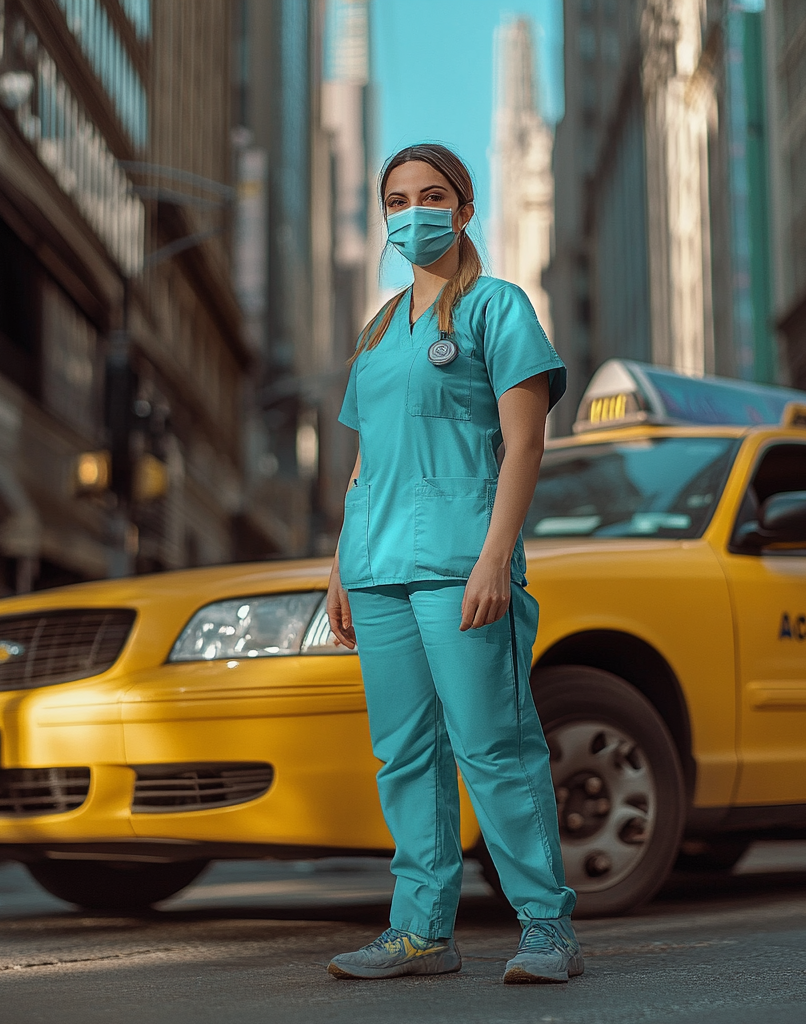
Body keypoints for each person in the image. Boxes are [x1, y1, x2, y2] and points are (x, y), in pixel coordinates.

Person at [325, 144, 580, 984]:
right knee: (404, 756)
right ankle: (421, 932)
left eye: (432, 196)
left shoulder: (497, 309)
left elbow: (525, 444)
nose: (413, 212)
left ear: (465, 210)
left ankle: (546, 926)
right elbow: (369, 462)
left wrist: (495, 557)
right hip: (379, 568)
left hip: (462, 563)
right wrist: (340, 564)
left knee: (494, 746)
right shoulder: (376, 331)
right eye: (397, 199)